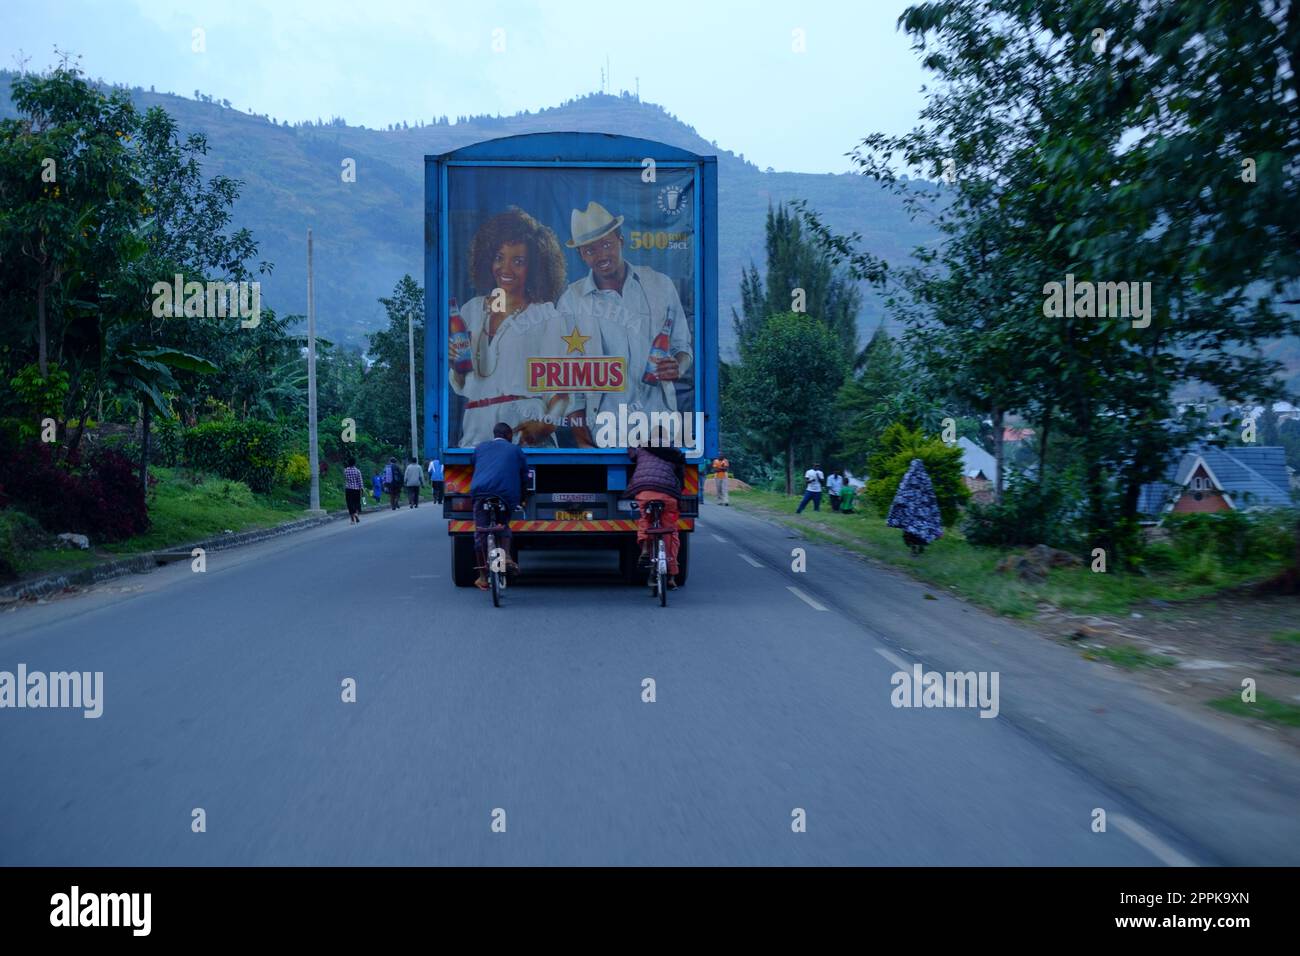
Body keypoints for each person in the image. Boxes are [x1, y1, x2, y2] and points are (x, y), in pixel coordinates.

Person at [555, 201, 694, 444]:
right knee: (612, 484)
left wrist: (677, 367)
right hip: (605, 432)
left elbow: (682, 347)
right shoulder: (571, 301)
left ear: (621, 240)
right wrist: (583, 442)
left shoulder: (659, 284)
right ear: (580, 255)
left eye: (606, 244)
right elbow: (569, 376)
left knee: (656, 483)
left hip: (660, 427)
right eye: (590, 250)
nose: (601, 256)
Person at [450, 208, 574, 448]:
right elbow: (462, 385)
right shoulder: (471, 311)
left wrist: (544, 426)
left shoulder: (546, 316)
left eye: (518, 261)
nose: (505, 269)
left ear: (535, 268)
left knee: (527, 486)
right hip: (475, 437)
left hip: (526, 439)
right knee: (474, 487)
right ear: (487, 259)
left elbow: (561, 394)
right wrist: (457, 367)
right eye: (499, 257)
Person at [469, 422, 530, 590]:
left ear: (493, 433)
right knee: (503, 525)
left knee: (480, 532)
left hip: (481, 493)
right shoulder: (515, 450)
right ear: (509, 435)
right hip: (505, 495)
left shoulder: (480, 448)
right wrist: (522, 499)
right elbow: (525, 476)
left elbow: (473, 463)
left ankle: (482, 576)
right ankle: (507, 556)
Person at [626, 427, 685, 588]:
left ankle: (645, 547)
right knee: (671, 533)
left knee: (645, 518)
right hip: (668, 495)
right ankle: (672, 576)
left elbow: (631, 455)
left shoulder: (642, 448)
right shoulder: (675, 452)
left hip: (645, 491)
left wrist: (631, 444)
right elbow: (681, 479)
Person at [343, 456, 364, 524]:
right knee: (356, 503)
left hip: (348, 489)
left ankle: (352, 520)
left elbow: (345, 479)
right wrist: (362, 488)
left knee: (349, 504)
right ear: (355, 463)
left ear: (348, 463)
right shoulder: (357, 471)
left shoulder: (345, 470)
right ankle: (356, 514)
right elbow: (360, 481)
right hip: (356, 489)